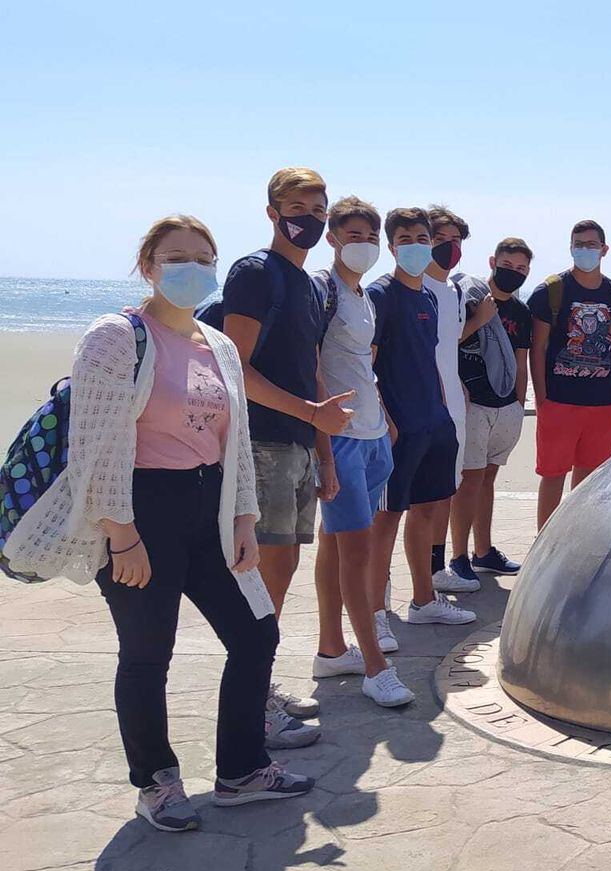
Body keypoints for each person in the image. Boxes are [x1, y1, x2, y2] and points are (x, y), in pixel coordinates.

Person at [4, 216, 315, 831]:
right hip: (142, 508)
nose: (192, 268)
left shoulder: (218, 343)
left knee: (256, 635)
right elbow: (98, 442)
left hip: (213, 507)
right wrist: (122, 532)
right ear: (148, 265)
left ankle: (241, 772)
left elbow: (236, 437)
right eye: (177, 257)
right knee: (148, 653)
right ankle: (156, 783)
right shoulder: (116, 336)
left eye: (204, 258)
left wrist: (245, 518)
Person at [219, 167, 351, 744]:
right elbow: (235, 369)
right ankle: (251, 711)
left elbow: (313, 369)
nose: (311, 220)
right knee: (261, 577)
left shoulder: (311, 286)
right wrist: (309, 417)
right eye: (299, 208)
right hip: (262, 445)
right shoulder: (254, 274)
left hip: (297, 445)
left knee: (283, 570)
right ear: (272, 212)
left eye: (319, 209)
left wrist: (324, 453)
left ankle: (260, 688)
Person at [308, 197, 413, 707]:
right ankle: (375, 666)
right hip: (342, 440)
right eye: (354, 236)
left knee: (337, 541)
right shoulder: (322, 291)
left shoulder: (364, 297)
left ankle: (332, 649)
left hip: (372, 436)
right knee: (357, 551)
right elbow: (315, 369)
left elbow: (362, 366)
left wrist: (387, 418)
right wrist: (323, 451)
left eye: (371, 237)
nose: (364, 246)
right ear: (332, 239)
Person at [367, 208, 475, 628]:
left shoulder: (429, 296)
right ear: (391, 246)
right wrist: (386, 422)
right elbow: (367, 365)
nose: (414, 246)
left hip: (435, 421)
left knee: (429, 511)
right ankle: (376, 610)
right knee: (385, 520)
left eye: (421, 238)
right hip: (398, 430)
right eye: (405, 239)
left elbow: (431, 360)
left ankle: (424, 600)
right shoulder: (380, 295)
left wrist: (445, 407)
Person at [529, 220, 611, 529]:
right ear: (570, 247)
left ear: (604, 249)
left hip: (603, 404)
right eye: (579, 244)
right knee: (553, 475)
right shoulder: (552, 290)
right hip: (559, 401)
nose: (585, 250)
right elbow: (538, 348)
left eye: (591, 245)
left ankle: (575, 543)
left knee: (589, 479)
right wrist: (542, 398)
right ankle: (544, 544)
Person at [444, 238, 534, 586]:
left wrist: (518, 403)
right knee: (469, 482)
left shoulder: (521, 313)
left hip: (505, 406)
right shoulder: (468, 298)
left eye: (521, 269)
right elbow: (446, 343)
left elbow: (521, 361)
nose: (513, 273)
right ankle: (458, 556)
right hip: (473, 403)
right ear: (493, 261)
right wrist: (480, 319)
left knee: (488, 480)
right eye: (508, 265)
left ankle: (483, 551)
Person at [421, 206, 480, 594]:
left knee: (445, 489)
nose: (448, 248)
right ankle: (388, 585)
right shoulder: (410, 287)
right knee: (407, 504)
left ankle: (435, 569)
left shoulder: (456, 291)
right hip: (416, 406)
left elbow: (450, 340)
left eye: (455, 241)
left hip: (452, 408)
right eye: (440, 240)